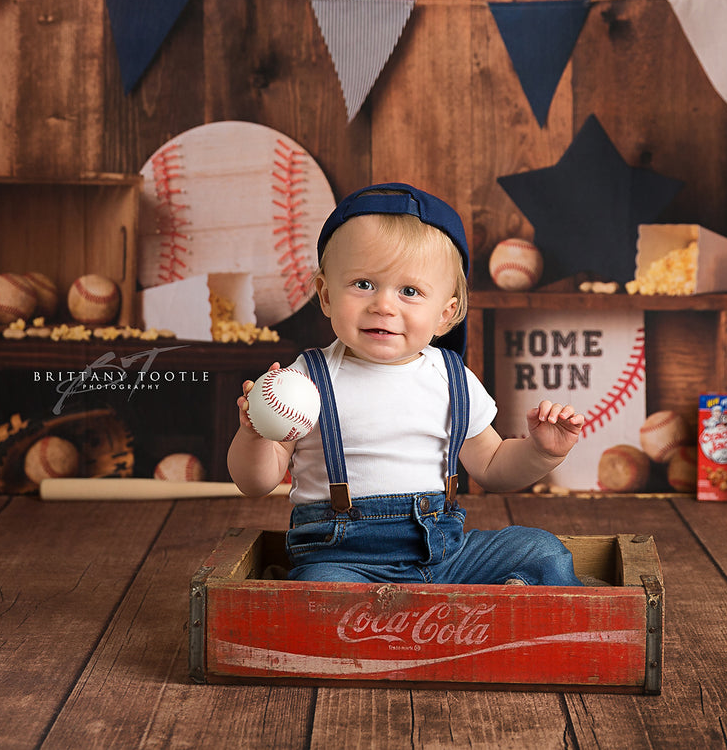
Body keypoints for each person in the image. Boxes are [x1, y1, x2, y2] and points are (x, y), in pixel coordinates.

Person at [228, 182, 587, 585]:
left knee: (542, 550)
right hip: (343, 559)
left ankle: (506, 609)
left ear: (446, 314)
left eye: (410, 291)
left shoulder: (451, 378)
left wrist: (542, 453)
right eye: (363, 284)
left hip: (443, 556)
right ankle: (397, 613)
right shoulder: (305, 381)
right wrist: (255, 435)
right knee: (323, 589)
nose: (383, 305)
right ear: (326, 295)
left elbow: (492, 467)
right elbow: (255, 483)